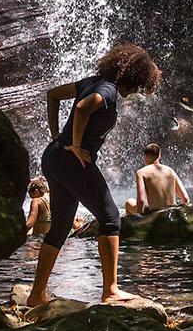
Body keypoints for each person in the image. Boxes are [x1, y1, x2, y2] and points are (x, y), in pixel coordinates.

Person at [24, 42, 163, 309]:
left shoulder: (93, 81)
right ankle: (110, 291)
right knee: (110, 215)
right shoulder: (108, 91)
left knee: (61, 225)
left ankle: (36, 294)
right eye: (137, 85)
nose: (135, 91)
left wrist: (57, 138)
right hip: (72, 161)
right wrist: (75, 146)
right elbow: (82, 108)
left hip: (53, 157)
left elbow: (52, 95)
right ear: (133, 78)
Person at [125, 143, 191, 215]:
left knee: (129, 202)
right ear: (159, 156)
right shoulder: (170, 171)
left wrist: (140, 219)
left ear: (145, 156)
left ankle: (134, 226)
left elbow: (141, 200)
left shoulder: (141, 172)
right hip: (172, 213)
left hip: (155, 215)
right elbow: (185, 198)